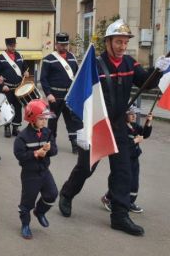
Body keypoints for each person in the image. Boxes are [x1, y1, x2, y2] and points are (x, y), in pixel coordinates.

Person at [58, 19, 170, 236]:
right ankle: (67, 193)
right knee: (85, 168)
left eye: (125, 42)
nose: (122, 46)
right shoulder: (95, 65)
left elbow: (145, 82)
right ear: (108, 42)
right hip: (97, 125)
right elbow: (80, 97)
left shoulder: (130, 63)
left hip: (118, 125)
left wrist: (157, 70)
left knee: (123, 170)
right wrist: (81, 127)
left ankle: (119, 215)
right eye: (118, 42)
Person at [14, 99, 58, 239]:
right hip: (30, 174)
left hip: (44, 171)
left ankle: (40, 211)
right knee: (27, 201)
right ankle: (25, 224)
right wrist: (35, 153)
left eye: (45, 118)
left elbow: (55, 150)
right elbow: (19, 155)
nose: (44, 122)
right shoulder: (22, 137)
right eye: (41, 118)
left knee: (52, 194)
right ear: (32, 118)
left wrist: (49, 150)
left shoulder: (47, 132)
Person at [101, 106, 153, 214]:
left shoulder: (134, 126)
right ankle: (108, 198)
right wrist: (134, 141)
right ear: (124, 115)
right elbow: (122, 146)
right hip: (124, 159)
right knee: (121, 181)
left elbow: (145, 134)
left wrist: (148, 123)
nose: (134, 116)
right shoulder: (121, 128)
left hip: (134, 158)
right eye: (131, 114)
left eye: (135, 114)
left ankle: (129, 202)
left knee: (134, 182)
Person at [40, 32, 82, 153]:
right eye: (61, 44)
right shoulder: (48, 59)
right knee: (53, 120)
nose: (64, 47)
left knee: (71, 120)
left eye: (66, 44)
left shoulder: (72, 57)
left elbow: (77, 75)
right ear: (56, 44)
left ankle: (74, 143)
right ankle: (51, 142)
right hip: (55, 95)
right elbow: (43, 79)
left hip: (70, 95)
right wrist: (48, 94)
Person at [0, 37, 29, 137]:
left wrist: (26, 72)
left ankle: (16, 127)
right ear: (7, 45)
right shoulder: (0, 58)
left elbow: (24, 67)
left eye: (14, 45)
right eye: (11, 46)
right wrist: (3, 85)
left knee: (18, 108)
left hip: (18, 87)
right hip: (7, 88)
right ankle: (7, 127)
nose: (13, 47)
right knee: (6, 109)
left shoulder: (19, 55)